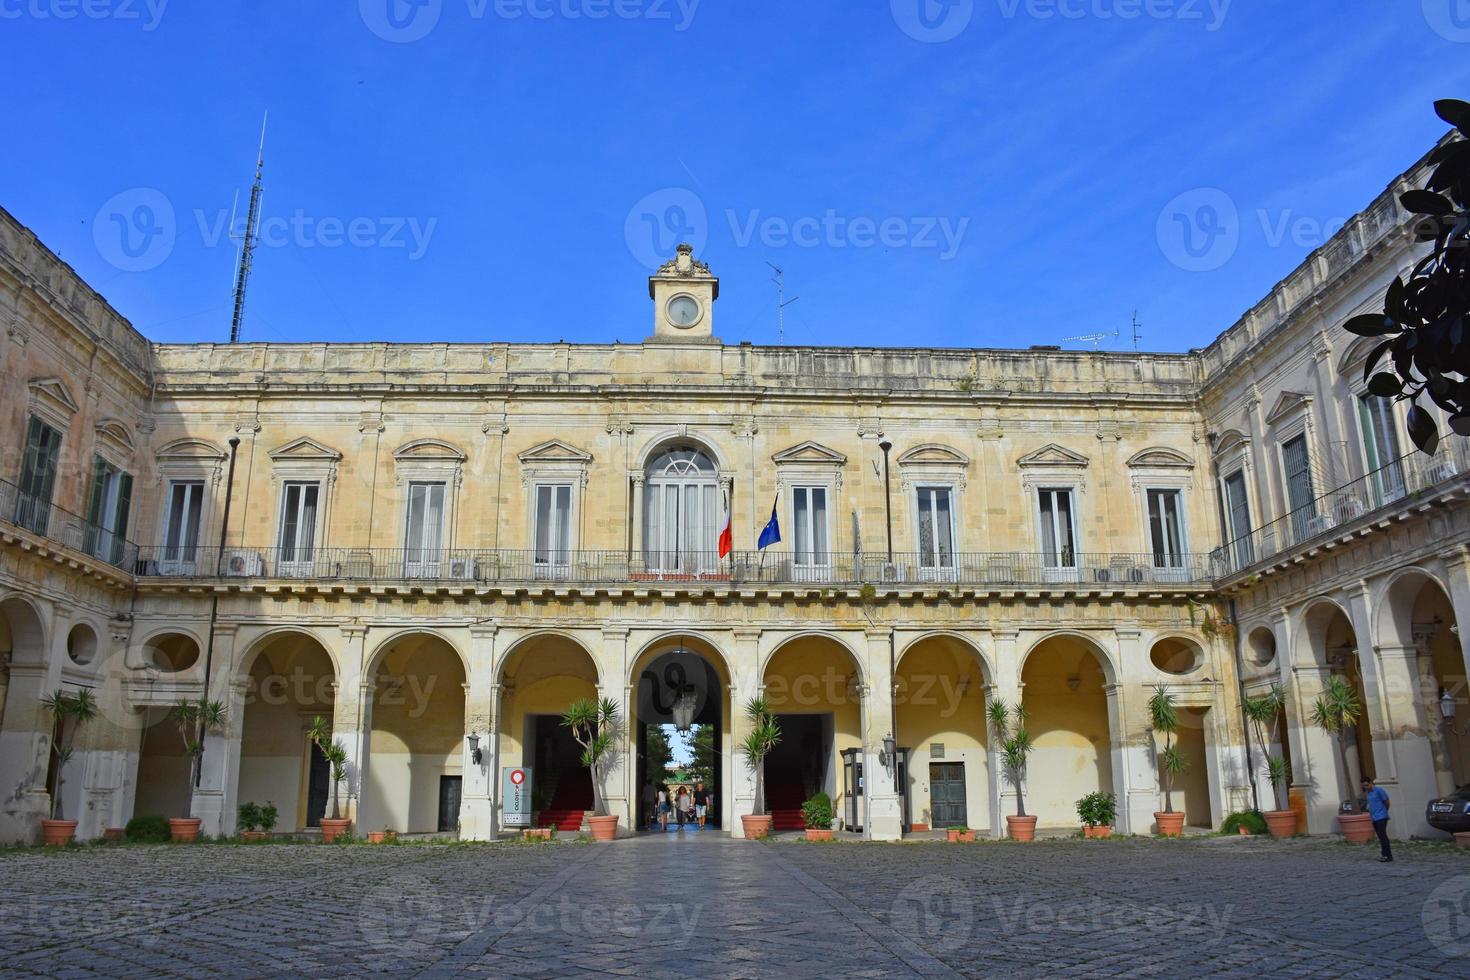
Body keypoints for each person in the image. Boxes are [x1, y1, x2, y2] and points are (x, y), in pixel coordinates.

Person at [1363, 777, 1392, 862]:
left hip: (1381, 816)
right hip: (1374, 817)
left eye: (1367, 785)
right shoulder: (1368, 794)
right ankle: (1385, 854)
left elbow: (1386, 801)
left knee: (1383, 836)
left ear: (1371, 783)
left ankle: (1387, 855)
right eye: (1364, 786)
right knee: (1380, 836)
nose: (1366, 787)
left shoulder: (1379, 790)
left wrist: (1384, 811)